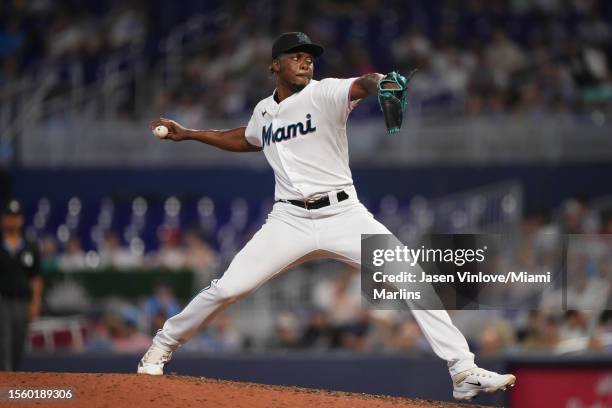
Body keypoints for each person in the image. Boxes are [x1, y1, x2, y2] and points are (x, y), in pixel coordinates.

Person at [138, 32, 516, 400]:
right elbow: (246, 138)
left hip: (343, 214)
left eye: (309, 56)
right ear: (275, 65)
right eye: (295, 56)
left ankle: (462, 371)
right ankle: (162, 344)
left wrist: (383, 83)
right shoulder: (264, 110)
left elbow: (364, 84)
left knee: (410, 277)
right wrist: (189, 134)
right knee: (227, 289)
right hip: (289, 221)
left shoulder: (325, 92)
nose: (305, 61)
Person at [0, 199, 43, 370]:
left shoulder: (30, 246)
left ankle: (10, 380)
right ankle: (5, 387)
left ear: (21, 220)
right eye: (10, 216)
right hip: (3, 301)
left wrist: (35, 303)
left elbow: (36, 278)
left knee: (18, 344)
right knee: (4, 343)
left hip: (23, 302)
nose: (13, 220)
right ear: (4, 219)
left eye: (16, 217)